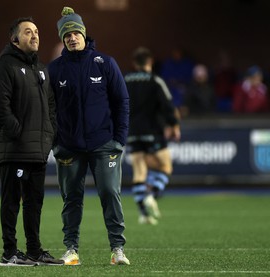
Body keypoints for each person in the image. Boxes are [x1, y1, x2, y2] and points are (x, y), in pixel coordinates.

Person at [48, 7, 130, 266]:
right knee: (71, 198)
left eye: (75, 32)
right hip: (69, 146)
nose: (72, 38)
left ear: (84, 34)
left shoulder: (105, 63)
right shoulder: (55, 69)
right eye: (67, 34)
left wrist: (119, 140)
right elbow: (48, 109)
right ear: (62, 39)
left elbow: (122, 102)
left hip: (103, 143)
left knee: (109, 192)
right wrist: (55, 142)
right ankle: (71, 249)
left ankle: (117, 249)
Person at [0, 17, 62, 266]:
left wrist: (49, 132)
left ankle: (34, 251)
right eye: (28, 32)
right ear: (14, 39)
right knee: (11, 202)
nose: (35, 35)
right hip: (15, 149)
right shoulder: (4, 66)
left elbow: (50, 106)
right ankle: (9, 252)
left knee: (34, 204)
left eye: (37, 31)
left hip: (38, 149)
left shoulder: (40, 69)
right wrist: (18, 132)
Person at [124, 47, 181, 225]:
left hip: (132, 132)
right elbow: (168, 105)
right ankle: (152, 194)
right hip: (153, 131)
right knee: (166, 166)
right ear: (150, 62)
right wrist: (173, 125)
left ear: (134, 63)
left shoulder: (125, 80)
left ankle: (143, 214)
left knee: (139, 172)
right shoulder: (155, 81)